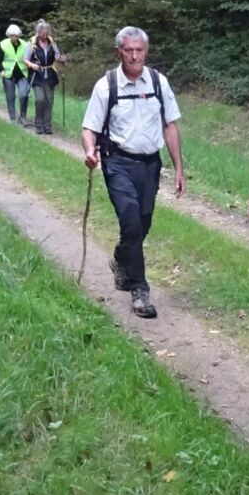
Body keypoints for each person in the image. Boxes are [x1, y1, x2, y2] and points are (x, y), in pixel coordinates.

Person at [82, 26, 187, 319]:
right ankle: (139, 289)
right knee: (130, 220)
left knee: (142, 223)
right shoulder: (107, 86)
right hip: (118, 163)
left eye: (139, 50)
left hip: (150, 165)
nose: (134, 56)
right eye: (128, 50)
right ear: (119, 52)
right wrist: (89, 151)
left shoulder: (157, 82)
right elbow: (89, 128)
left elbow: (170, 126)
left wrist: (179, 168)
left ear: (146, 51)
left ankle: (121, 258)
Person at [23, 20, 64, 135]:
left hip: (50, 75)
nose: (45, 36)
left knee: (49, 100)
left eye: (46, 34)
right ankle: (38, 123)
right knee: (40, 99)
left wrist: (61, 59)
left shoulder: (52, 42)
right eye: (42, 34)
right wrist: (32, 65)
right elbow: (25, 59)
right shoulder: (32, 43)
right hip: (37, 75)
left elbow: (57, 57)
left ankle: (47, 125)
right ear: (38, 33)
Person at [0, 23, 32, 126]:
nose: (14, 37)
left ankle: (23, 117)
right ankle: (12, 117)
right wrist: (2, 70)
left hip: (22, 74)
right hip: (8, 74)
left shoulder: (25, 45)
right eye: (12, 35)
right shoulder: (3, 44)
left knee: (24, 95)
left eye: (16, 36)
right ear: (9, 35)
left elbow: (29, 58)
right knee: (10, 96)